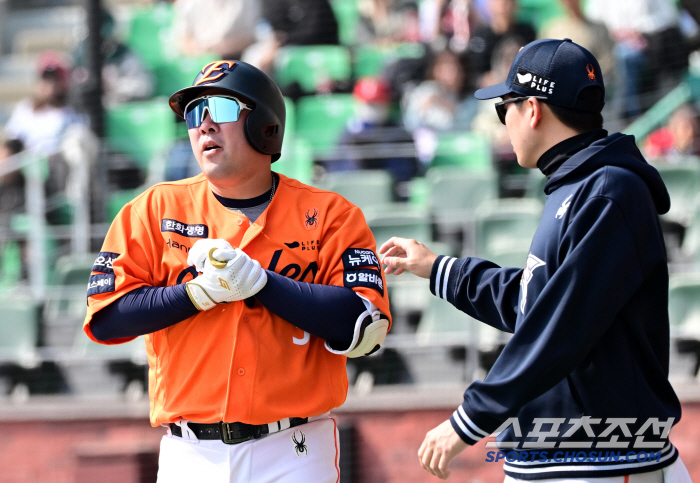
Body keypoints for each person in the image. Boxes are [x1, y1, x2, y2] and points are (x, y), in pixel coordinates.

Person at [380, 38, 692, 481]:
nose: (502, 120)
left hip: (603, 462)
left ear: (532, 108)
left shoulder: (607, 190)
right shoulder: (580, 184)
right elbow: (538, 300)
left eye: (503, 106)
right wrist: (438, 268)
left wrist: (470, 419)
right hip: (566, 460)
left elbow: (560, 324)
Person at [83, 60, 391, 483]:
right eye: (194, 113)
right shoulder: (152, 210)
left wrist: (263, 284)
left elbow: (363, 326)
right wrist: (195, 294)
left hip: (295, 447)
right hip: (189, 454)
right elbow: (106, 319)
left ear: (264, 124)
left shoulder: (331, 214)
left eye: (221, 108)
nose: (204, 124)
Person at [4, 52, 82, 156]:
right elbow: (12, 142)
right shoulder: (24, 109)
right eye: (46, 78)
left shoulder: (72, 111)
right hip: (29, 165)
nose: (50, 84)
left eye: (54, 78)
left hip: (61, 165)